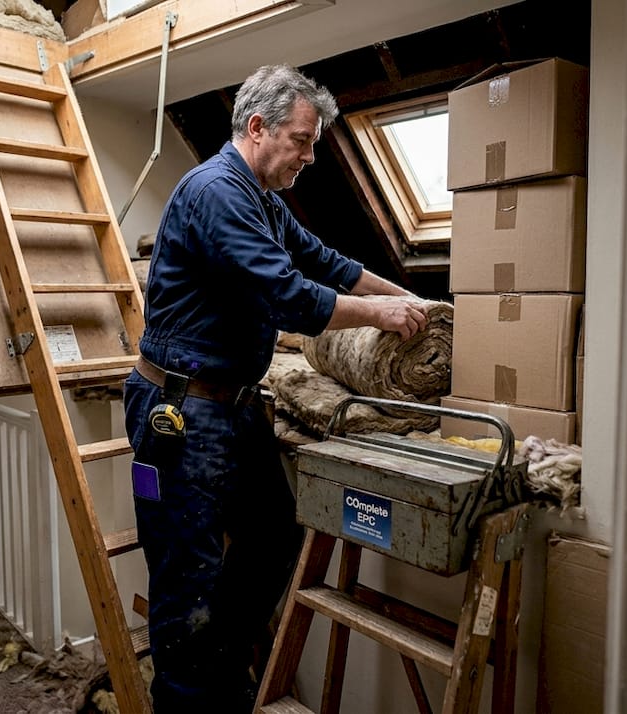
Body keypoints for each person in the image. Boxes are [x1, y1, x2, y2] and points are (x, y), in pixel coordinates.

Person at [123, 64, 430, 713]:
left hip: (232, 406)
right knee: (186, 580)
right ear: (258, 127)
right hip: (181, 410)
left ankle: (219, 676)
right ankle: (190, 697)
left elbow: (329, 264)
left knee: (272, 536)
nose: (310, 157)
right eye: (302, 141)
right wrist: (379, 316)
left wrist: (415, 302)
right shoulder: (216, 192)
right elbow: (287, 294)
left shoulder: (263, 200)